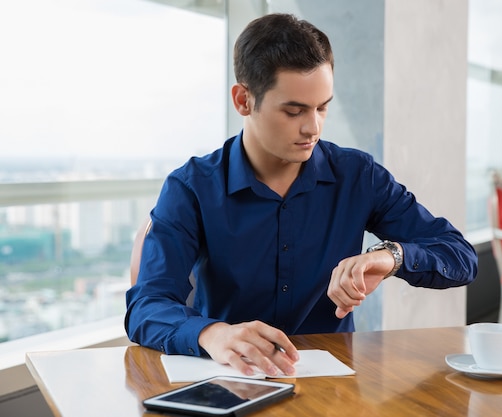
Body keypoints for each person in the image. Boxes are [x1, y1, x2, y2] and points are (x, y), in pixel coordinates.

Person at [125, 13, 477, 379]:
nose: (313, 127)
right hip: (229, 382)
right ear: (244, 100)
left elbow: (460, 256)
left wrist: (393, 257)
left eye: (322, 107)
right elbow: (146, 306)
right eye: (294, 111)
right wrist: (214, 334)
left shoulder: (358, 176)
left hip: (333, 391)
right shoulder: (191, 187)